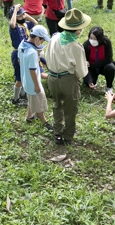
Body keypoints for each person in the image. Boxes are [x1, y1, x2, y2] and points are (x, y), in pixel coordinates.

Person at [46, 8, 91, 145]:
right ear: (78, 30)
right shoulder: (76, 47)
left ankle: (57, 132)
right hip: (68, 80)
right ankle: (68, 136)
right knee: (70, 109)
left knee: (57, 105)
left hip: (52, 78)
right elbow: (82, 73)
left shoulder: (54, 38)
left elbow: (46, 56)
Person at [18, 25, 54, 132]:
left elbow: (20, 61)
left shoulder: (22, 45)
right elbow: (33, 70)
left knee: (31, 99)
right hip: (33, 82)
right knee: (39, 102)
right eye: (42, 41)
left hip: (25, 80)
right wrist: (37, 85)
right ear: (37, 39)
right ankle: (44, 121)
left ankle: (29, 117)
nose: (42, 44)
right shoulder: (33, 52)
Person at [9, 5, 38, 107]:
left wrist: (25, 15)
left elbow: (36, 23)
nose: (22, 17)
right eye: (20, 16)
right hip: (18, 53)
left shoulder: (25, 25)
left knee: (24, 74)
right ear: (15, 17)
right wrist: (15, 11)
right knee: (19, 78)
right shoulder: (15, 27)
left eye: (23, 15)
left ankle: (22, 93)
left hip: (25, 53)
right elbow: (12, 23)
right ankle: (15, 99)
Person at [82, 27, 115, 92]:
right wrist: (89, 80)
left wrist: (93, 65)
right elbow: (85, 63)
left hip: (103, 65)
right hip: (91, 68)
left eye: (95, 38)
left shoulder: (106, 42)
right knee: (87, 83)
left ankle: (109, 86)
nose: (92, 40)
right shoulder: (86, 45)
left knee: (110, 68)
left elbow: (108, 58)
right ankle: (93, 80)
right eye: (91, 38)